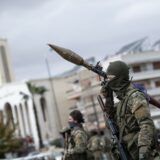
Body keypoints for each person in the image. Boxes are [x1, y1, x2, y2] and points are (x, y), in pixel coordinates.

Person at [100, 60, 160, 160]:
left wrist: (143, 152)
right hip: (129, 153)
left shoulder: (135, 96)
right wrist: (108, 98)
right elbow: (109, 123)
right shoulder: (122, 101)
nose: (108, 82)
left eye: (110, 78)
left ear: (119, 77)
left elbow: (146, 124)